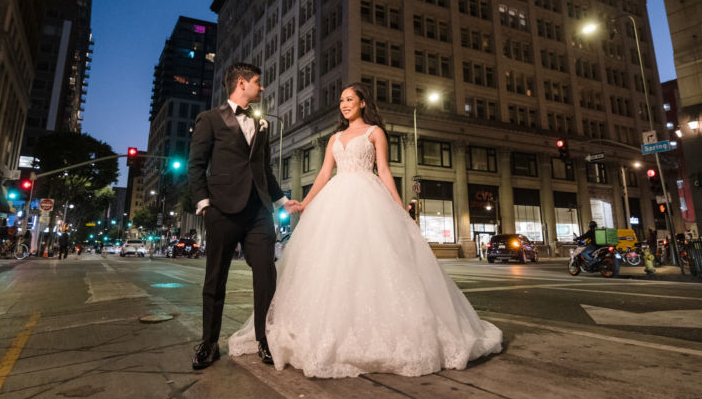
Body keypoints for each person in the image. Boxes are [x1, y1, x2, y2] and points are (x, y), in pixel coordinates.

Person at [228, 83, 503, 378]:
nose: (344, 104)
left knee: (375, 261)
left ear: (362, 103)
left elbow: (384, 170)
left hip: (368, 198)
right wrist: (305, 203)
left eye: (350, 99)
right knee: (332, 262)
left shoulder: (375, 133)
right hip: (336, 200)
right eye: (341, 100)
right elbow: (323, 173)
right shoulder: (334, 137)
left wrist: (401, 209)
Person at [188, 62, 297, 370]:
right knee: (215, 278)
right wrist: (204, 204)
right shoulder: (209, 119)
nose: (262, 88)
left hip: (258, 212)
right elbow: (196, 165)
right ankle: (209, 342)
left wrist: (280, 200)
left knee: (266, 273)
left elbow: (263, 169)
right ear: (241, 84)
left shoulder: (263, 124)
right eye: (258, 83)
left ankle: (265, 339)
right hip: (222, 210)